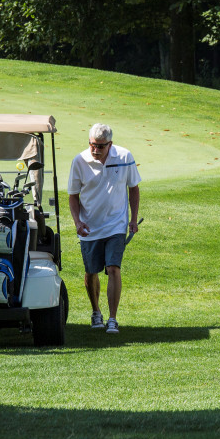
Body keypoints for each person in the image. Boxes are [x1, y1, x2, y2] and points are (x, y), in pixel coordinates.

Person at [68, 123, 141, 334]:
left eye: (100, 146)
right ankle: (96, 312)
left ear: (110, 144)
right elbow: (73, 196)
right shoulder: (79, 161)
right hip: (89, 226)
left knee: (113, 268)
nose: (95, 150)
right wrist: (77, 222)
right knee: (91, 271)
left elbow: (133, 188)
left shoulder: (125, 157)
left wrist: (133, 219)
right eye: (92, 145)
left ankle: (112, 318)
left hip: (116, 225)